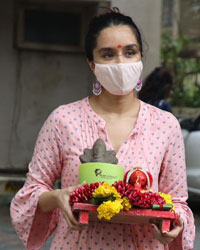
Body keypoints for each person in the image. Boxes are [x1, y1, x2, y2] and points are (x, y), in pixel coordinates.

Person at [10, 9, 195, 250]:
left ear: (141, 57)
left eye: (130, 52)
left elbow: (178, 203)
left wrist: (175, 224)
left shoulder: (165, 125)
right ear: (91, 64)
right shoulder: (63, 120)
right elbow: (31, 193)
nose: (120, 62)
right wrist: (57, 197)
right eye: (108, 55)